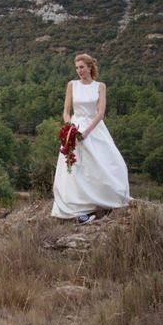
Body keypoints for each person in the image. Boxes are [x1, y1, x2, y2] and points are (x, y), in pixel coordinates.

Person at [51, 54, 131, 224]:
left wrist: (86, 133)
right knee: (74, 167)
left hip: (94, 128)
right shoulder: (72, 85)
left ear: (89, 67)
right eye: (77, 68)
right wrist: (70, 128)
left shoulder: (100, 86)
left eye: (82, 67)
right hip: (75, 126)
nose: (79, 70)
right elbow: (66, 112)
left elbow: (100, 113)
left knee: (109, 163)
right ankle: (78, 211)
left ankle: (104, 200)